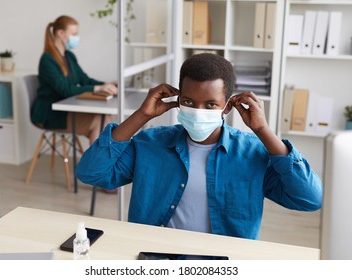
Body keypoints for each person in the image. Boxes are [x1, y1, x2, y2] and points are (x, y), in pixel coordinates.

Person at [75, 53, 322, 239]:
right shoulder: (150, 144)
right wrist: (141, 115)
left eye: (211, 104)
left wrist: (263, 131)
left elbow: (310, 199)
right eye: (189, 101)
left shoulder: (252, 154)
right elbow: (90, 173)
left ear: (228, 106)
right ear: (178, 100)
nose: (198, 110)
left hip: (223, 265)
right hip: (156, 259)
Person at [31, 15, 117, 145]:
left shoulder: (69, 56)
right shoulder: (47, 60)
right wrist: (99, 88)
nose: (77, 38)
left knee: (106, 120)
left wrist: (106, 84)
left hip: (65, 109)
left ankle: (97, 163)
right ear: (61, 33)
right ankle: (95, 164)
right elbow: (66, 90)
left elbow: (84, 79)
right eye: (74, 34)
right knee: (102, 122)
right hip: (50, 112)